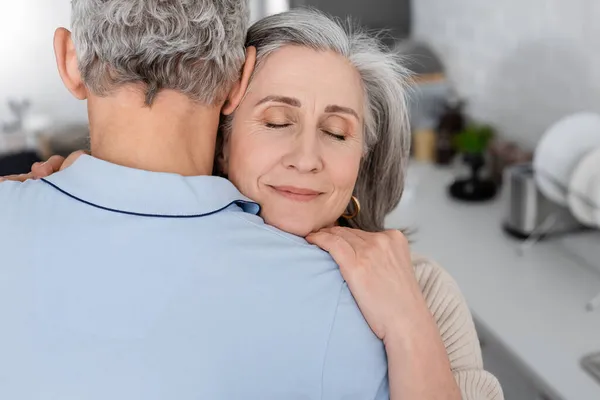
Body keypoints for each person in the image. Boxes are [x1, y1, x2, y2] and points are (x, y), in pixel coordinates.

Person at [0, 3, 502, 400]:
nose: (307, 159)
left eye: (337, 131)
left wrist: (410, 323)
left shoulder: (423, 293)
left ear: (364, 158)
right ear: (226, 124)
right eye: (278, 122)